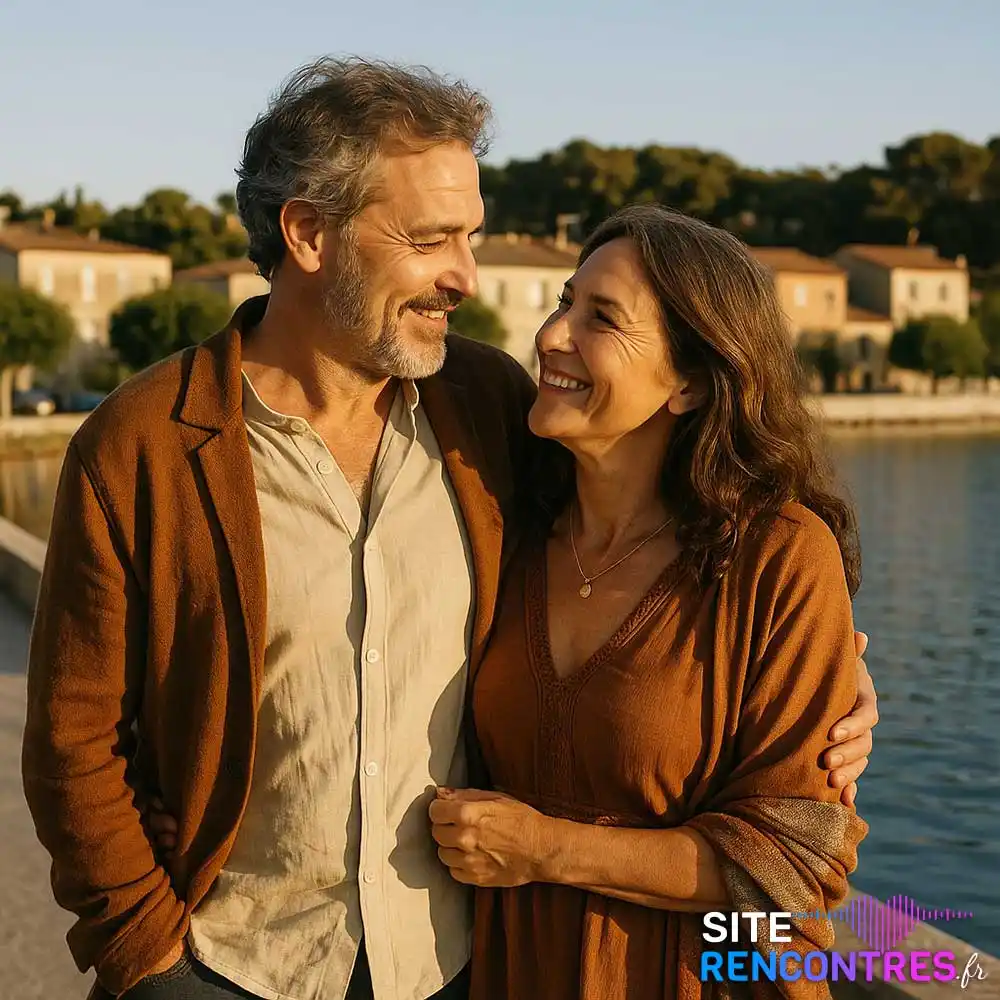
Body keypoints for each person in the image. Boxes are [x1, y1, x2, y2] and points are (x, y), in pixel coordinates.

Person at [21, 58, 876, 1000]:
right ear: (308, 233)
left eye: (471, 236)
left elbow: (692, 577)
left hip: (456, 968)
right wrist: (147, 958)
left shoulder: (486, 410)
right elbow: (74, 742)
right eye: (432, 239)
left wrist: (838, 673)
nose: (466, 277)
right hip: (229, 969)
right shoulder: (140, 445)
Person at [425, 205, 870, 1000]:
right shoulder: (509, 526)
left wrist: (544, 848)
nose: (554, 334)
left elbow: (801, 858)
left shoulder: (778, 554)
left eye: (602, 318)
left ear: (691, 383)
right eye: (564, 301)